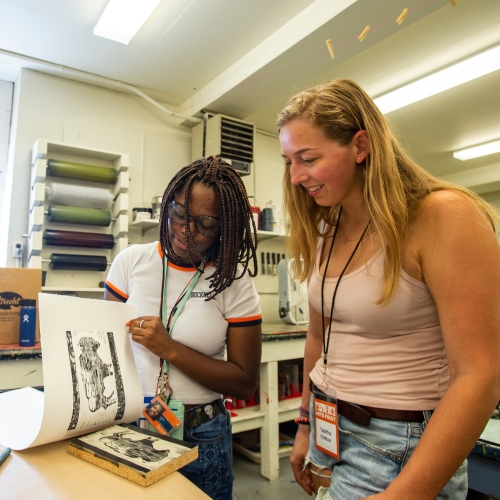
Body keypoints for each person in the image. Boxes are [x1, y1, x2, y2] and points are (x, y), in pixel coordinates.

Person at [277, 79, 500, 499]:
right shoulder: (330, 223)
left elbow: (480, 376)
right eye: (289, 161)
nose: (295, 177)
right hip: (330, 427)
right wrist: (303, 424)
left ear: (360, 147)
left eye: (307, 158)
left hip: (398, 446)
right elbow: (317, 337)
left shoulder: (444, 216)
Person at [104, 155, 262, 500]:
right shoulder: (131, 263)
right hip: (131, 426)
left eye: (205, 224)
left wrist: (169, 349)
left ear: (225, 227)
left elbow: (245, 382)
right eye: (179, 213)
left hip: (201, 435)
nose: (186, 231)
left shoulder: (232, 281)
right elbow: (107, 352)